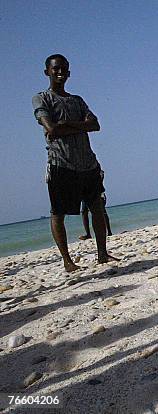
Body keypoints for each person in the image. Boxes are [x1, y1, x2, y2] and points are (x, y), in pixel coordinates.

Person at [32, 54, 118, 272]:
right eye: (56, 69)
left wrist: (66, 124)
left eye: (64, 69)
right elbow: (51, 128)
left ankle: (102, 253)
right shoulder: (42, 99)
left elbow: (96, 125)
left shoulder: (77, 100)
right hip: (61, 164)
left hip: (87, 163)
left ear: (69, 72)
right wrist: (78, 125)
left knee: (97, 207)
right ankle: (67, 261)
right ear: (47, 72)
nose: (60, 72)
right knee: (58, 213)